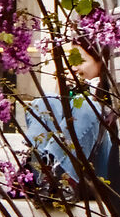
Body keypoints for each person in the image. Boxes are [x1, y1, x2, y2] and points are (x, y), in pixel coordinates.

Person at [20, 47, 113, 195]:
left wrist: (90, 96)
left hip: (94, 172)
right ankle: (40, 175)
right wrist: (63, 91)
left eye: (80, 61)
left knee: (86, 105)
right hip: (48, 180)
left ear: (101, 62)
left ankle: (63, 178)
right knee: (47, 101)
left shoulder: (114, 92)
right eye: (71, 61)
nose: (74, 67)